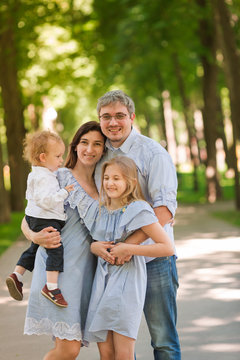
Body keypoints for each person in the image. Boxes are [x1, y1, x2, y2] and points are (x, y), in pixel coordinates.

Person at [93, 90, 181, 360]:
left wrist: (128, 247)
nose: (113, 122)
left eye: (119, 115)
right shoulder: (98, 155)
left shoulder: (153, 153)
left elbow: (164, 210)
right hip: (113, 266)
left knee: (163, 339)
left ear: (131, 117)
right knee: (118, 344)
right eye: (106, 117)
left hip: (153, 262)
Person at [21, 121, 106, 360]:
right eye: (84, 143)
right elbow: (29, 216)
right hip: (57, 274)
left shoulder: (105, 184)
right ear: (75, 147)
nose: (90, 149)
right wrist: (34, 236)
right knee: (69, 349)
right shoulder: (56, 177)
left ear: (104, 149)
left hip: (86, 274)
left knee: (73, 347)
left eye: (97, 144)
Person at [82, 156, 174, 360]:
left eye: (116, 178)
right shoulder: (101, 210)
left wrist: (130, 248)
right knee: (106, 354)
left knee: (123, 355)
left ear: (130, 182)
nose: (110, 183)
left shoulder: (138, 209)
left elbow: (167, 247)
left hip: (126, 284)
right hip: (102, 284)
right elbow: (94, 241)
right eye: (106, 178)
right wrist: (94, 246)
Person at [6, 130, 74, 308]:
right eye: (58, 156)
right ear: (43, 157)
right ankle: (51, 287)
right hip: (46, 218)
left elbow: (31, 197)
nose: (61, 160)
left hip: (34, 217)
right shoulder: (45, 177)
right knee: (55, 248)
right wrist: (64, 192)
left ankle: (17, 274)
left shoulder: (34, 174)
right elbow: (46, 201)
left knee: (34, 248)